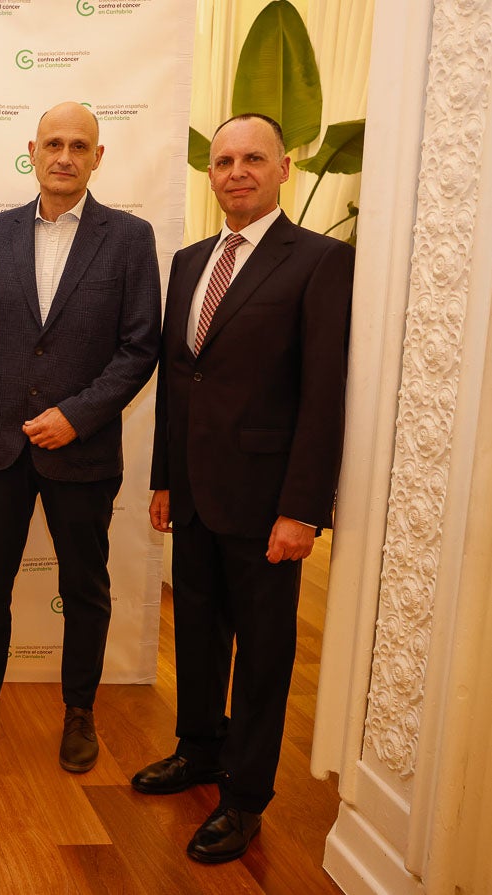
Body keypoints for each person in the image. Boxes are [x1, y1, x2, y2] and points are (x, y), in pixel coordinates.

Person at [135, 113, 353, 863]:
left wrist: (302, 508)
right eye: (224, 160)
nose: (237, 171)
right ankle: (197, 748)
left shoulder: (320, 260)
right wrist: (164, 478)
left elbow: (324, 394)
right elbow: (177, 381)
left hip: (267, 503)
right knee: (194, 631)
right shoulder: (191, 260)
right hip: (193, 492)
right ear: (211, 174)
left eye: (253, 158)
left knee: (262, 654)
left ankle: (243, 797)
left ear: (283, 168)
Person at [0, 102, 162, 769]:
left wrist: (77, 414)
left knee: (85, 586)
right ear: (31, 151)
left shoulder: (128, 238)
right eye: (53, 144)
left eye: (79, 146)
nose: (64, 156)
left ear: (98, 158)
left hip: (82, 448)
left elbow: (138, 346)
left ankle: (79, 710)